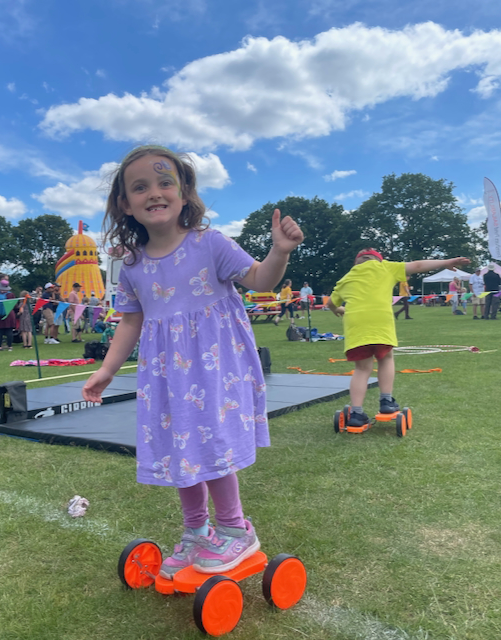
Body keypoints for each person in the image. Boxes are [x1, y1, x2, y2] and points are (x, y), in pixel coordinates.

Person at [81, 145, 304, 578]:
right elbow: (130, 322)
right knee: (179, 448)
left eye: (165, 182)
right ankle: (196, 532)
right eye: (140, 187)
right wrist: (106, 369)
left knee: (209, 444)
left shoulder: (210, 244)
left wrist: (280, 252)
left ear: (184, 193)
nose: (155, 192)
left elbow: (259, 280)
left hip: (216, 369)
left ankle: (236, 530)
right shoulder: (132, 266)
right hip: (166, 377)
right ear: (125, 204)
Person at [327, 248, 470, 427]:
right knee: (386, 358)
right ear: (378, 260)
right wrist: (446, 262)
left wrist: (338, 310)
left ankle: (356, 414)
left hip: (356, 325)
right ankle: (386, 402)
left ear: (356, 262)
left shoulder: (346, 279)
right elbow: (418, 265)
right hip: (380, 322)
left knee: (362, 369)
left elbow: (331, 303)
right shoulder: (386, 267)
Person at [0, 280, 18, 351]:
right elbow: (15, 306)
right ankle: (9, 346)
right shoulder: (11, 295)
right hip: (9, 315)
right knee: (9, 331)